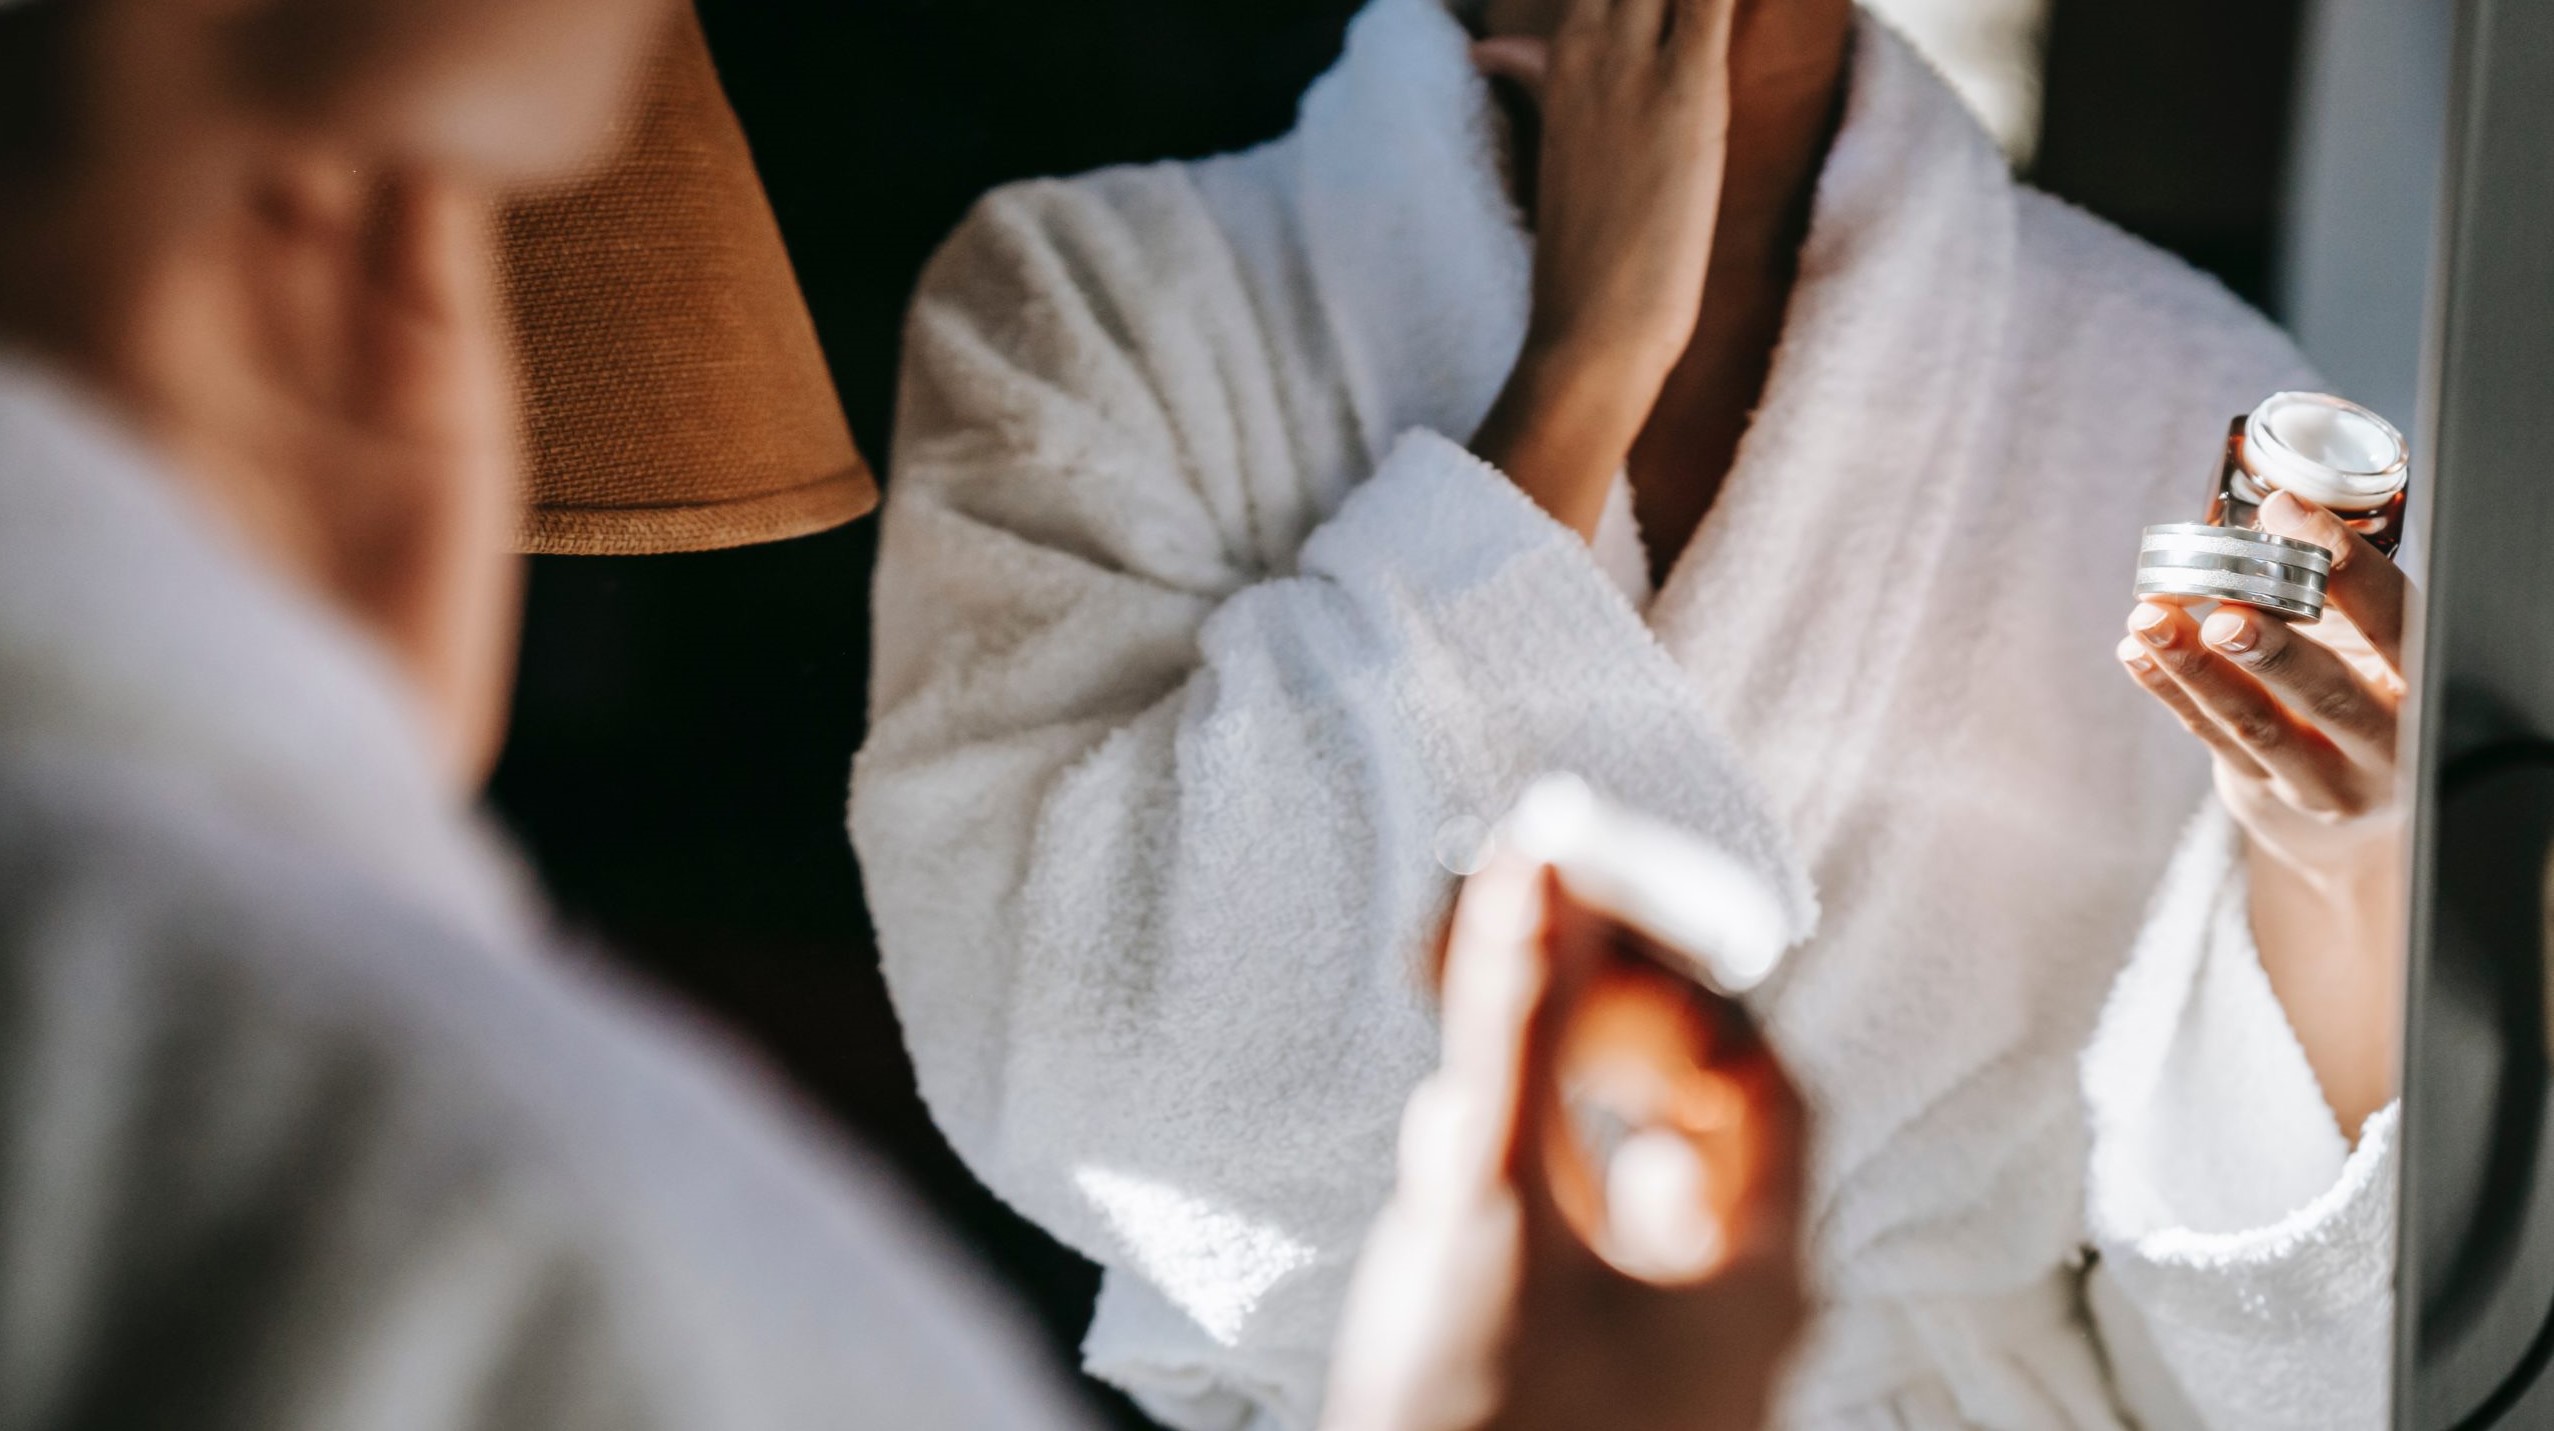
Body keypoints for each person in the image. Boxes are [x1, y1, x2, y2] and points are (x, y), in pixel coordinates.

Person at [0, 1, 1807, 1427]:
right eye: (486, 191)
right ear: (347, 226)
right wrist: (1578, 385)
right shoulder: (507, 1244)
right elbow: (1110, 1074)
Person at [850, 0, 2395, 1425]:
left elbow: (2243, 1295)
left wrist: (2337, 860)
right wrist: (1585, 366)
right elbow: (1105, 1095)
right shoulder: (1090, 300)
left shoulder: (2173, 379)